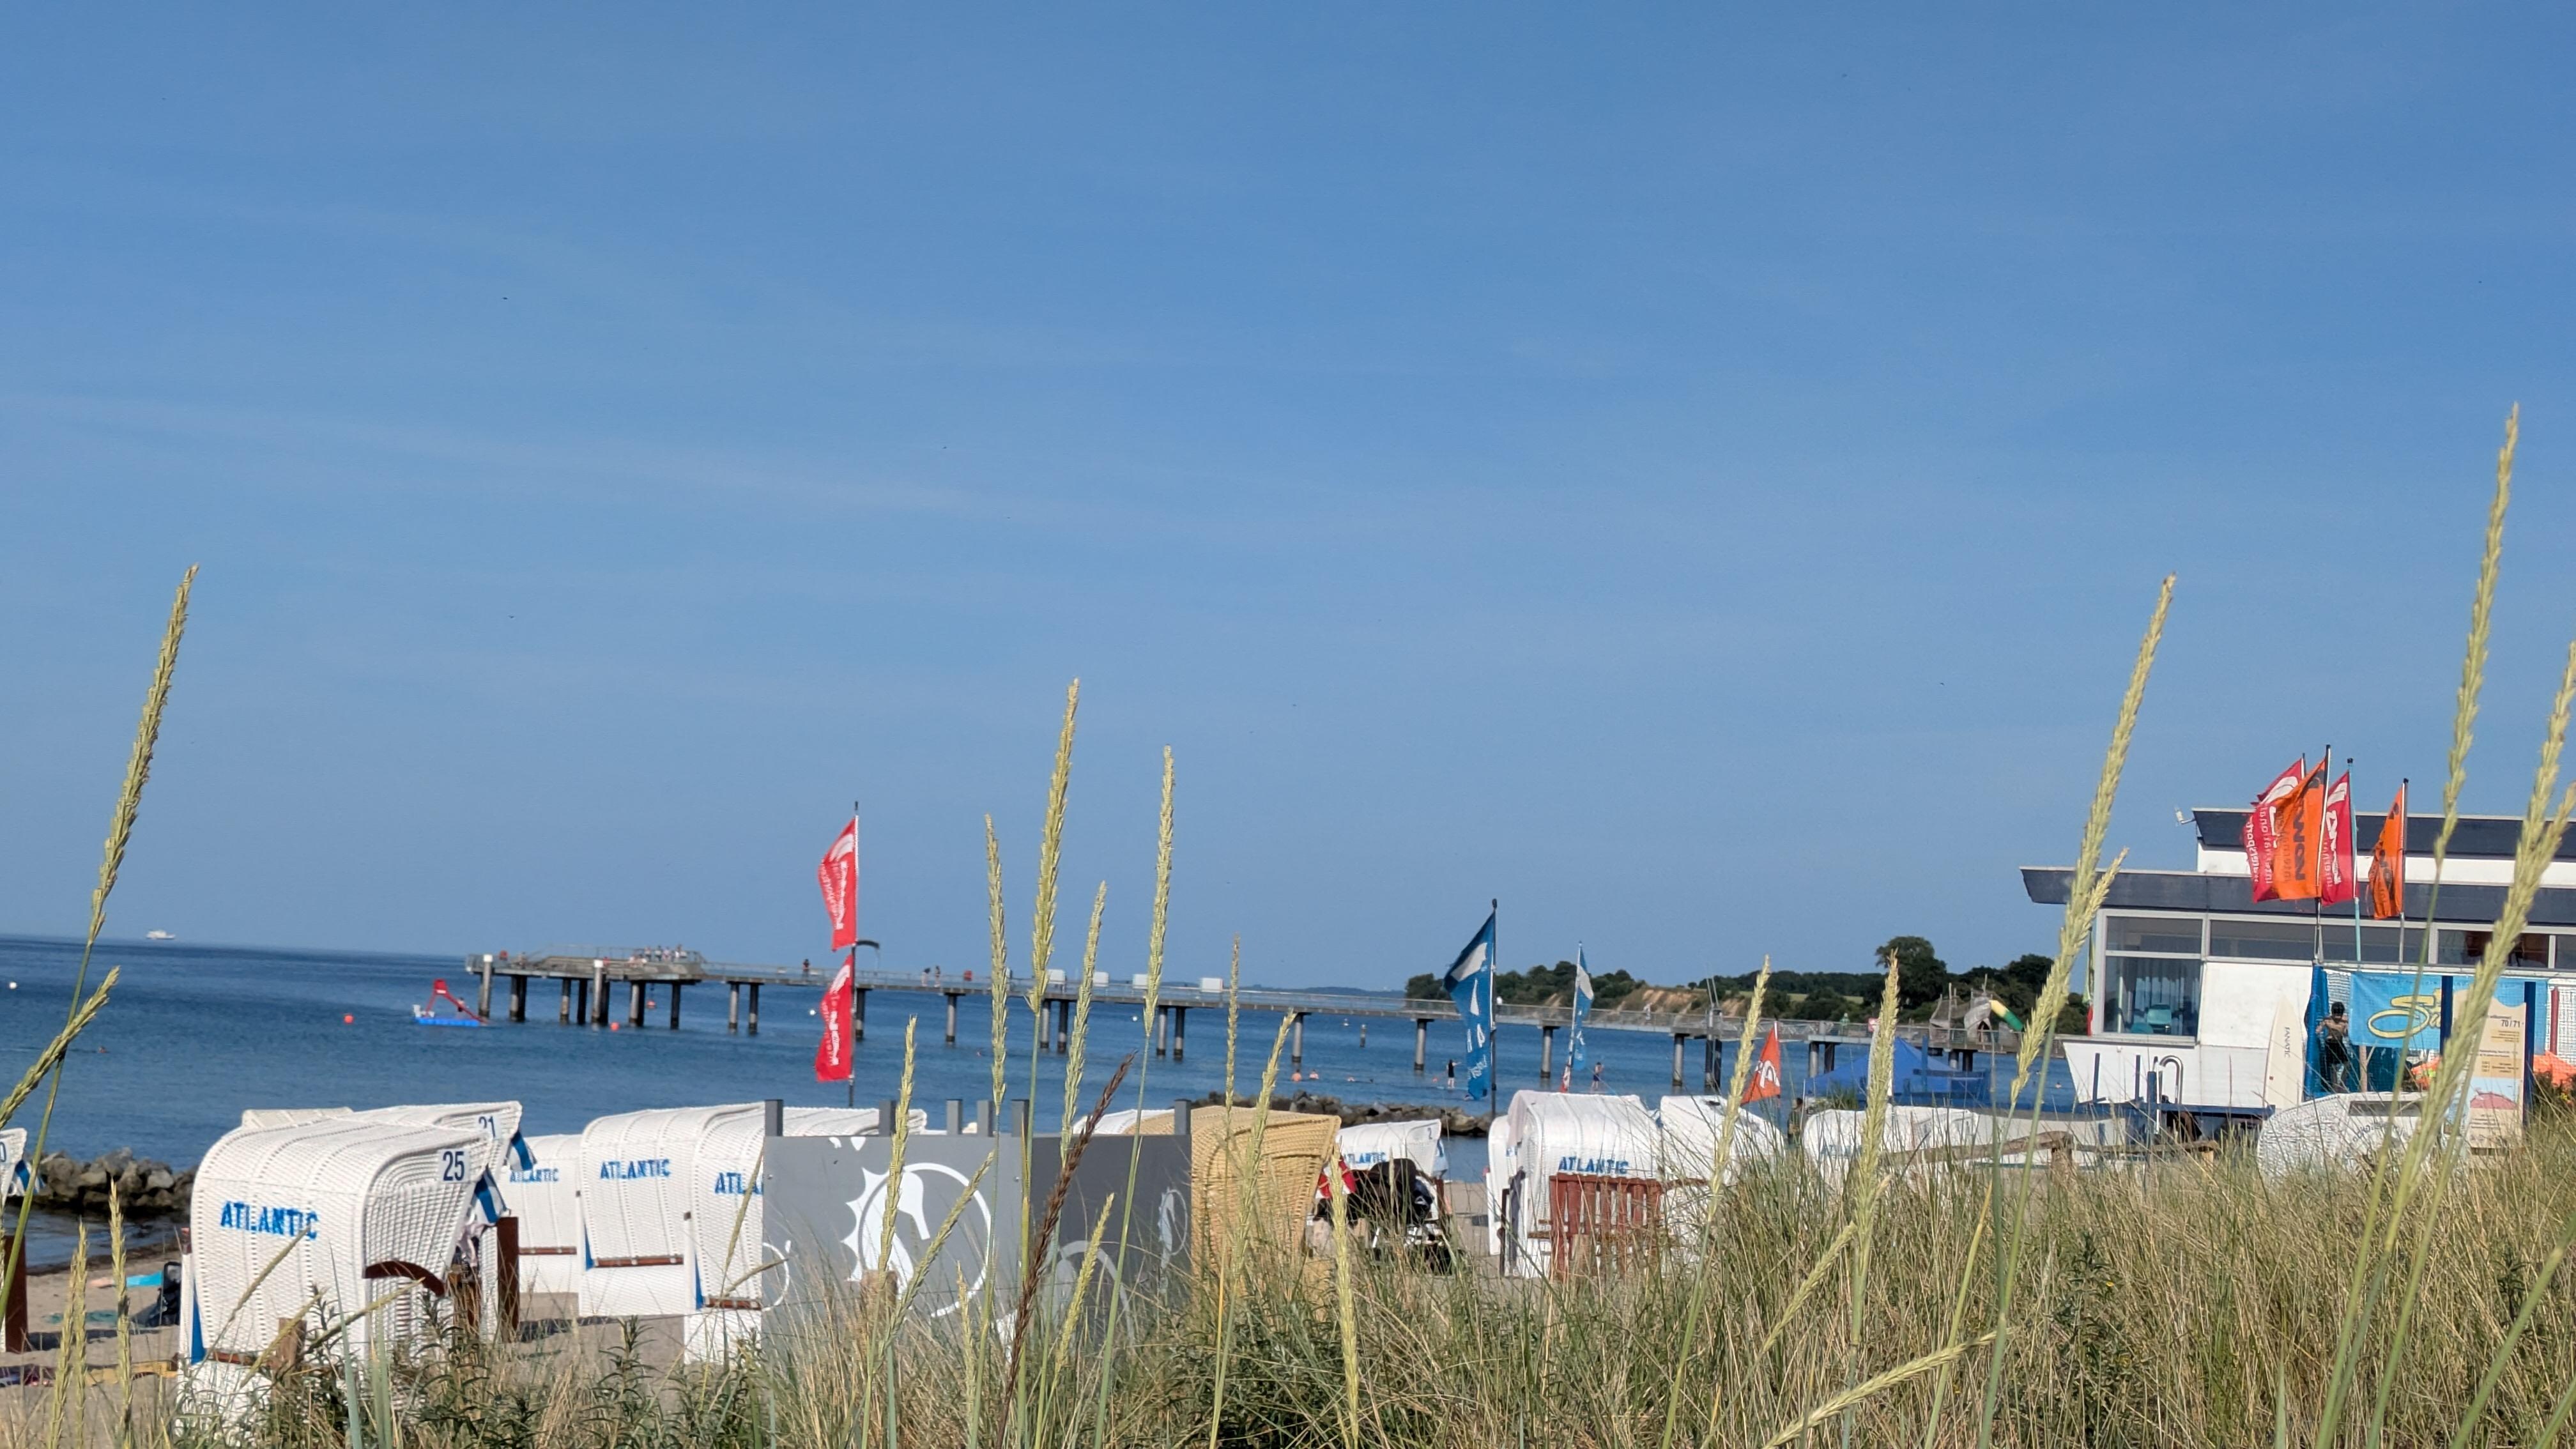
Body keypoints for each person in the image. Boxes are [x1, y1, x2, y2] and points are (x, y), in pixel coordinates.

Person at [2319, 1001, 2353, 1092]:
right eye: (2336, 1015)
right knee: (2333, 1067)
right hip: (2330, 1043)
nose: (2338, 1018)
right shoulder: (2328, 1020)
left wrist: (2346, 1028)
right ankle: (2335, 1087)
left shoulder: (2344, 1020)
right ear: (2333, 1013)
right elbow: (2318, 1030)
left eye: (2340, 1015)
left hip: (2339, 1043)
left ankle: (2341, 1084)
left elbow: (2346, 1035)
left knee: (2347, 1063)